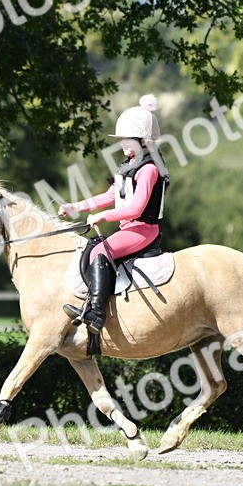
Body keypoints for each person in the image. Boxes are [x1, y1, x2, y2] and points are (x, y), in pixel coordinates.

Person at [58, 94, 170, 335]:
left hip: (143, 230)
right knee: (89, 249)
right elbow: (110, 196)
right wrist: (75, 207)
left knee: (100, 251)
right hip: (129, 229)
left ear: (142, 139)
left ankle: (96, 314)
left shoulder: (149, 169)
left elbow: (136, 209)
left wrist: (102, 217)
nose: (122, 144)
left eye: (126, 140)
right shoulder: (130, 165)